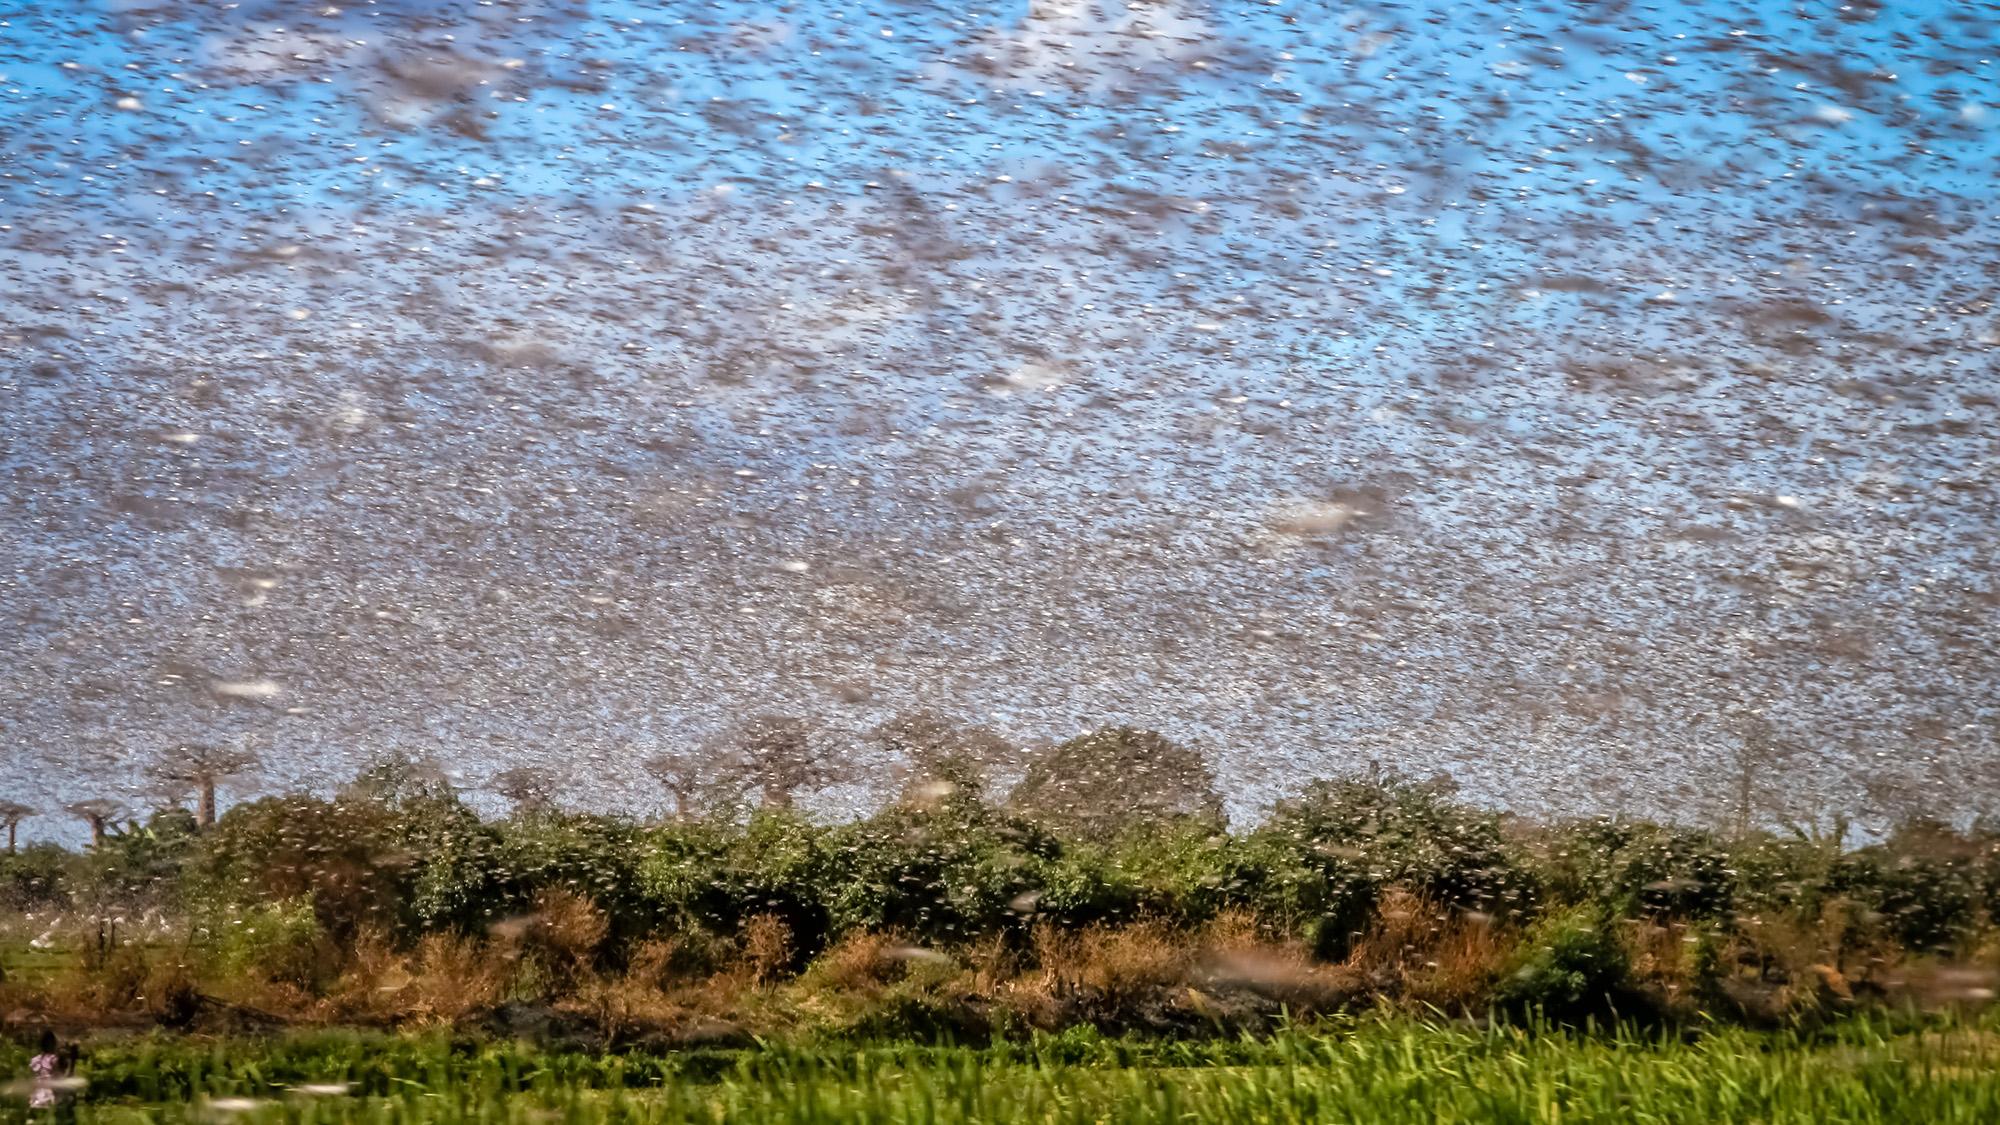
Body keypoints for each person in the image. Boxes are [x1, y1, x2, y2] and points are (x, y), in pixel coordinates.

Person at [27, 1030, 60, 1111]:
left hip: (35, 1097)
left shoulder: (34, 1060)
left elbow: (31, 1079)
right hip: (48, 1096)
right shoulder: (54, 1060)